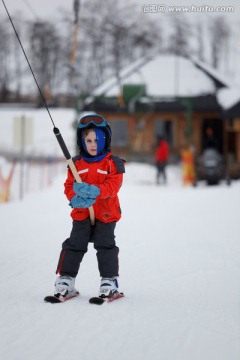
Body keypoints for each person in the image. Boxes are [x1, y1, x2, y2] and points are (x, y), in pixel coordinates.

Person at [54, 114, 125, 300]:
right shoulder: (76, 164)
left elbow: (113, 187)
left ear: (105, 139)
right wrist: (74, 198)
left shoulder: (113, 163)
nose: (93, 144)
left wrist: (95, 191)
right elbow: (69, 186)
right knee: (74, 244)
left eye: (97, 140)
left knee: (105, 245)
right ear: (82, 141)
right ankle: (66, 280)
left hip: (106, 213)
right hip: (82, 213)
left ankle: (109, 281)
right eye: (88, 140)